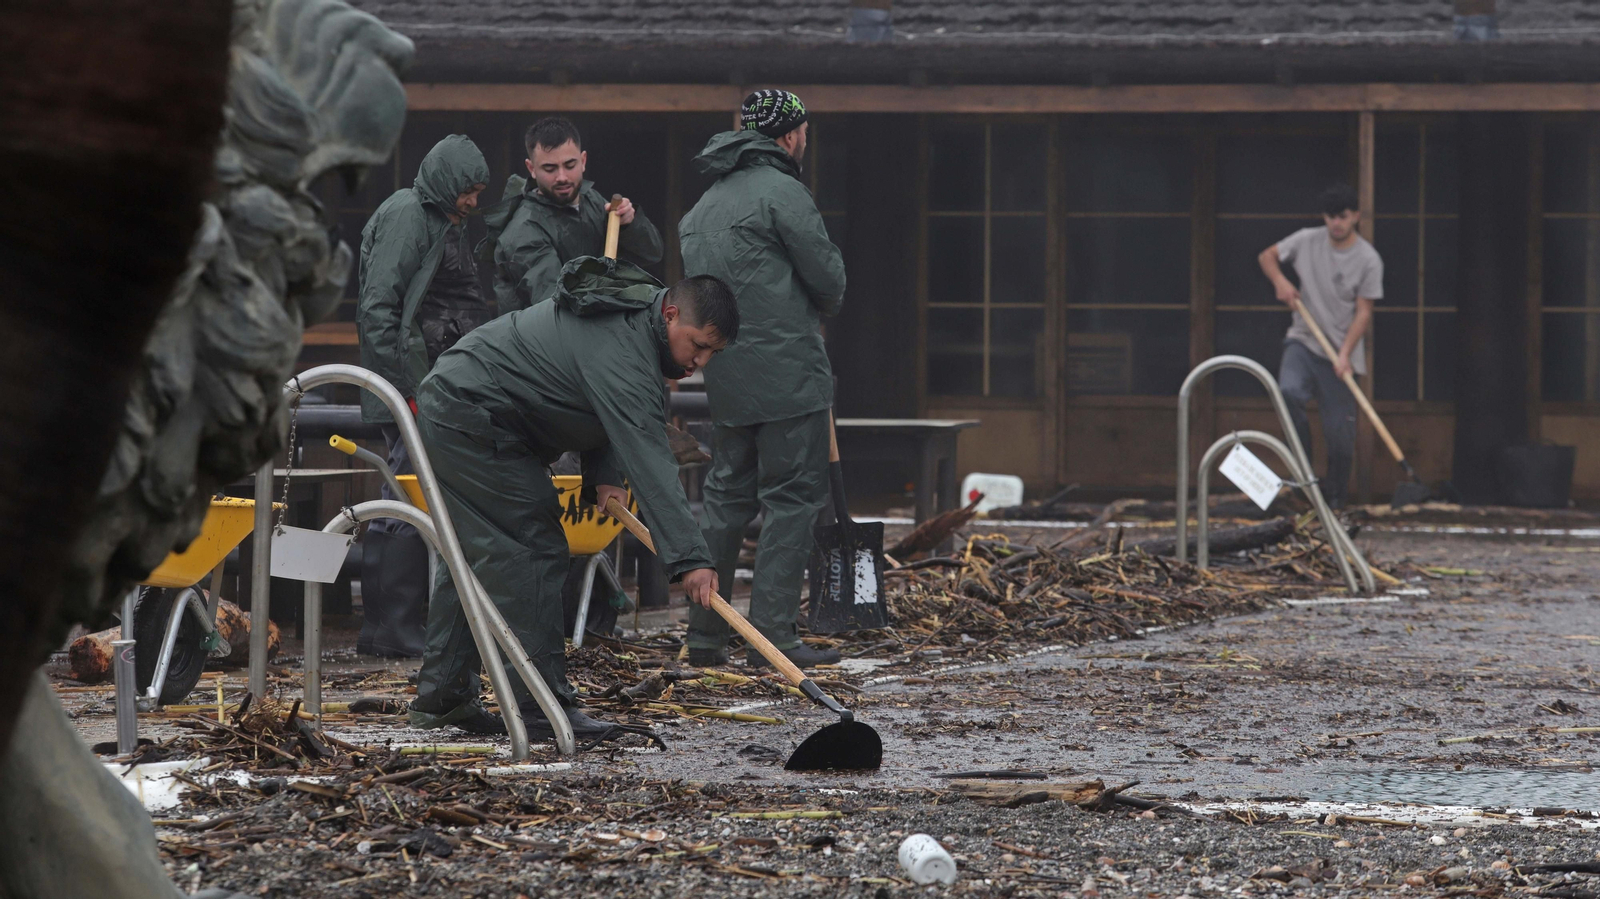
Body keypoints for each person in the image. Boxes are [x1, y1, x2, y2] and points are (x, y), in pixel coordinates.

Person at [407, 256, 738, 736]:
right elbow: (650, 457)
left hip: (470, 406)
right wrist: (690, 559)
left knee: (473, 558)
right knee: (532, 548)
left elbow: (596, 400)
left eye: (713, 355)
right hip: (471, 413)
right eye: (699, 346)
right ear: (671, 315)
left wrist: (604, 473)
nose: (699, 363)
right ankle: (543, 707)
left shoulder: (633, 325)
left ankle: (444, 699)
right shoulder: (624, 346)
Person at [678, 89, 847, 670]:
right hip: (789, 377)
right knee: (792, 497)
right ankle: (772, 636)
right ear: (791, 136)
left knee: (725, 498)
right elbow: (828, 279)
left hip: (726, 377)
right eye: (804, 130)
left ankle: (705, 639)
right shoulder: (784, 193)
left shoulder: (701, 208)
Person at [356, 134, 491, 656]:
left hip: (428, 377)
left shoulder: (437, 218)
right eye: (469, 191)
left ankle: (385, 627)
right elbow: (379, 306)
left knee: (402, 492)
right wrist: (406, 390)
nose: (474, 202)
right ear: (448, 183)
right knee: (411, 495)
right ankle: (396, 626)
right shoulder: (410, 215)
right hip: (414, 381)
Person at [1257, 182, 1384, 509]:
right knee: (1287, 392)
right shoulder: (1306, 240)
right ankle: (1302, 477)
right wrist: (1280, 281)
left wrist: (1344, 354)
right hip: (1303, 340)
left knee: (1340, 437)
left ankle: (1336, 499)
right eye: (1330, 217)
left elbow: (1364, 311)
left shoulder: (1368, 260)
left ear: (1355, 215)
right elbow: (1267, 256)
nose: (1336, 223)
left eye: (1343, 216)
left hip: (1342, 354)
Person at [490, 116, 664, 317]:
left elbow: (652, 254)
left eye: (570, 165)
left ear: (583, 161)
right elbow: (555, 305)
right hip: (541, 342)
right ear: (532, 169)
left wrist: (629, 225)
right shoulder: (523, 230)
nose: (562, 177)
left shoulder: (592, 200)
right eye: (550, 168)